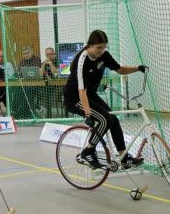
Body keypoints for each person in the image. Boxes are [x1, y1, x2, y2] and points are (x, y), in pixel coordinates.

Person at [63, 29, 147, 169]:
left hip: (90, 95)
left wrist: (137, 68)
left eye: (104, 47)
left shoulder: (104, 56)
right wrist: (88, 114)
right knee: (104, 119)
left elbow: (120, 69)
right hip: (74, 98)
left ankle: (124, 156)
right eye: (98, 48)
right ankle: (88, 151)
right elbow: (81, 90)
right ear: (90, 45)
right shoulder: (82, 60)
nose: (101, 51)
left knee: (113, 119)